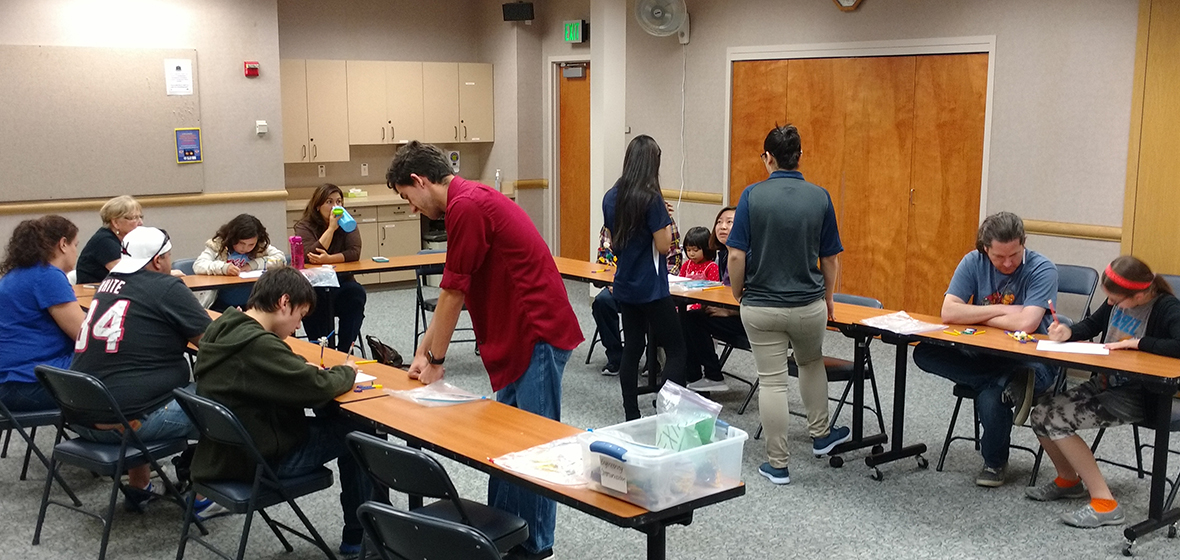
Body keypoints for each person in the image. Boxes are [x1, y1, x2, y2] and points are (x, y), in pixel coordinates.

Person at [386, 140, 582, 560]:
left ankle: (535, 545)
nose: (412, 208)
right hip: (510, 334)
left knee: (535, 445)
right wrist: (422, 351)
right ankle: (507, 533)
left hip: (534, 331)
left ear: (420, 181)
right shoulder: (465, 202)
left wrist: (436, 362)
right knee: (507, 442)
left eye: (408, 198)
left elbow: (454, 290)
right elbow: (454, 289)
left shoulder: (467, 206)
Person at [192, 266, 377, 556]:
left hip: (223, 453)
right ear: (283, 302)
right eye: (300, 316)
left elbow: (275, 374)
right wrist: (347, 372)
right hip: (260, 462)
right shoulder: (258, 346)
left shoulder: (225, 327)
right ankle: (366, 536)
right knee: (362, 433)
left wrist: (299, 371)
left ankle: (360, 534)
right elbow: (316, 388)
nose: (298, 328)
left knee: (339, 420)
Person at [727, 124, 850, 485]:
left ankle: (778, 464)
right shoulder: (820, 197)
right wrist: (828, 299)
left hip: (761, 306)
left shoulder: (751, 196)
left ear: (768, 158)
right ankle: (821, 434)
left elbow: (736, 256)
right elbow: (830, 259)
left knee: (772, 383)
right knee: (811, 363)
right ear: (800, 156)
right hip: (809, 304)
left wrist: (738, 293)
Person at [1026, 256, 1180, 528]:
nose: (1110, 304)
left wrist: (1139, 343)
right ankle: (1068, 480)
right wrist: (1067, 332)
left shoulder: (1166, 308)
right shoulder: (1116, 301)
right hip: (1107, 383)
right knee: (1039, 414)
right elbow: (1092, 325)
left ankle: (1105, 503)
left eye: (1116, 300)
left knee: (1057, 420)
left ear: (1141, 293)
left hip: (1138, 396)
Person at [912, 211, 1059, 487]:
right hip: (985, 354)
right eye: (998, 257)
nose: (1007, 263)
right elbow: (948, 312)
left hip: (1031, 362)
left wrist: (975, 313)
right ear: (985, 249)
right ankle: (1003, 381)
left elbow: (1027, 323)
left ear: (1023, 243)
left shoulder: (1042, 268)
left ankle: (994, 463)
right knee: (924, 352)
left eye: (1014, 255)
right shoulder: (972, 261)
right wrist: (1003, 310)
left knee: (992, 395)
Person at [70, 226, 211, 511]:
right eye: (169, 257)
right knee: (224, 402)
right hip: (129, 423)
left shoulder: (107, 284)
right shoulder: (166, 287)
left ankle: (139, 488)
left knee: (137, 380)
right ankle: (206, 496)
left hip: (80, 416)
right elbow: (214, 341)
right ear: (158, 260)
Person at [602, 134, 687, 421]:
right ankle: (666, 409)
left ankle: (631, 415)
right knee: (676, 350)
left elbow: (614, 242)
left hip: (625, 286)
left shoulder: (611, 197)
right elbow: (664, 246)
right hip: (652, 288)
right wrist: (663, 216)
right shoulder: (651, 200)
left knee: (633, 348)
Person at [0, 216, 85, 411]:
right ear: (63, 244)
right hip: (29, 384)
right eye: (75, 245)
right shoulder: (47, 275)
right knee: (118, 369)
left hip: (9, 385)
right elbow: (84, 335)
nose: (75, 252)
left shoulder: (16, 274)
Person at [590, 201, 682, 376]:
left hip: (651, 285)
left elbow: (674, 260)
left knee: (653, 306)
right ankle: (615, 356)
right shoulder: (613, 223)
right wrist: (612, 282)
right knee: (601, 303)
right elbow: (604, 258)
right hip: (620, 285)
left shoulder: (663, 223)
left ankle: (652, 359)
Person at [294, 184, 366, 353]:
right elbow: (309, 254)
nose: (335, 207)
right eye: (329, 202)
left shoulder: (348, 223)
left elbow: (354, 252)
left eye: (339, 202)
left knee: (356, 295)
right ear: (318, 205)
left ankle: (344, 350)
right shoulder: (304, 225)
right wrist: (331, 228)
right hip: (315, 284)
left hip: (342, 281)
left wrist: (328, 259)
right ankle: (323, 350)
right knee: (314, 301)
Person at [681, 207, 746, 392]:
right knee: (688, 316)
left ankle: (711, 375)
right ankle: (694, 380)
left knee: (692, 319)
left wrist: (729, 311)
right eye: (719, 222)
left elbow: (754, 296)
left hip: (750, 320)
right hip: (731, 312)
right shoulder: (724, 254)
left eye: (729, 222)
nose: (722, 227)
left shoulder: (746, 254)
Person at [193, 213, 286, 311]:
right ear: (232, 237)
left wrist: (253, 265)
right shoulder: (218, 245)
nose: (245, 248)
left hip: (254, 303)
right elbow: (199, 265)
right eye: (241, 243)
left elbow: (281, 259)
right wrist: (223, 268)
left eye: (251, 244)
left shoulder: (260, 246)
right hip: (222, 304)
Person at [75, 195, 142, 284]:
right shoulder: (104, 241)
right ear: (116, 222)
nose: (141, 223)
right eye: (134, 218)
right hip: (92, 294)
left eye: (140, 217)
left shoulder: (127, 241)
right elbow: (127, 275)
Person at [679, 226, 719, 312]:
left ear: (706, 249)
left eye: (695, 250)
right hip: (685, 300)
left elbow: (713, 291)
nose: (691, 254)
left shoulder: (712, 267)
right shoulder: (686, 265)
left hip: (702, 303)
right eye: (688, 250)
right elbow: (679, 283)